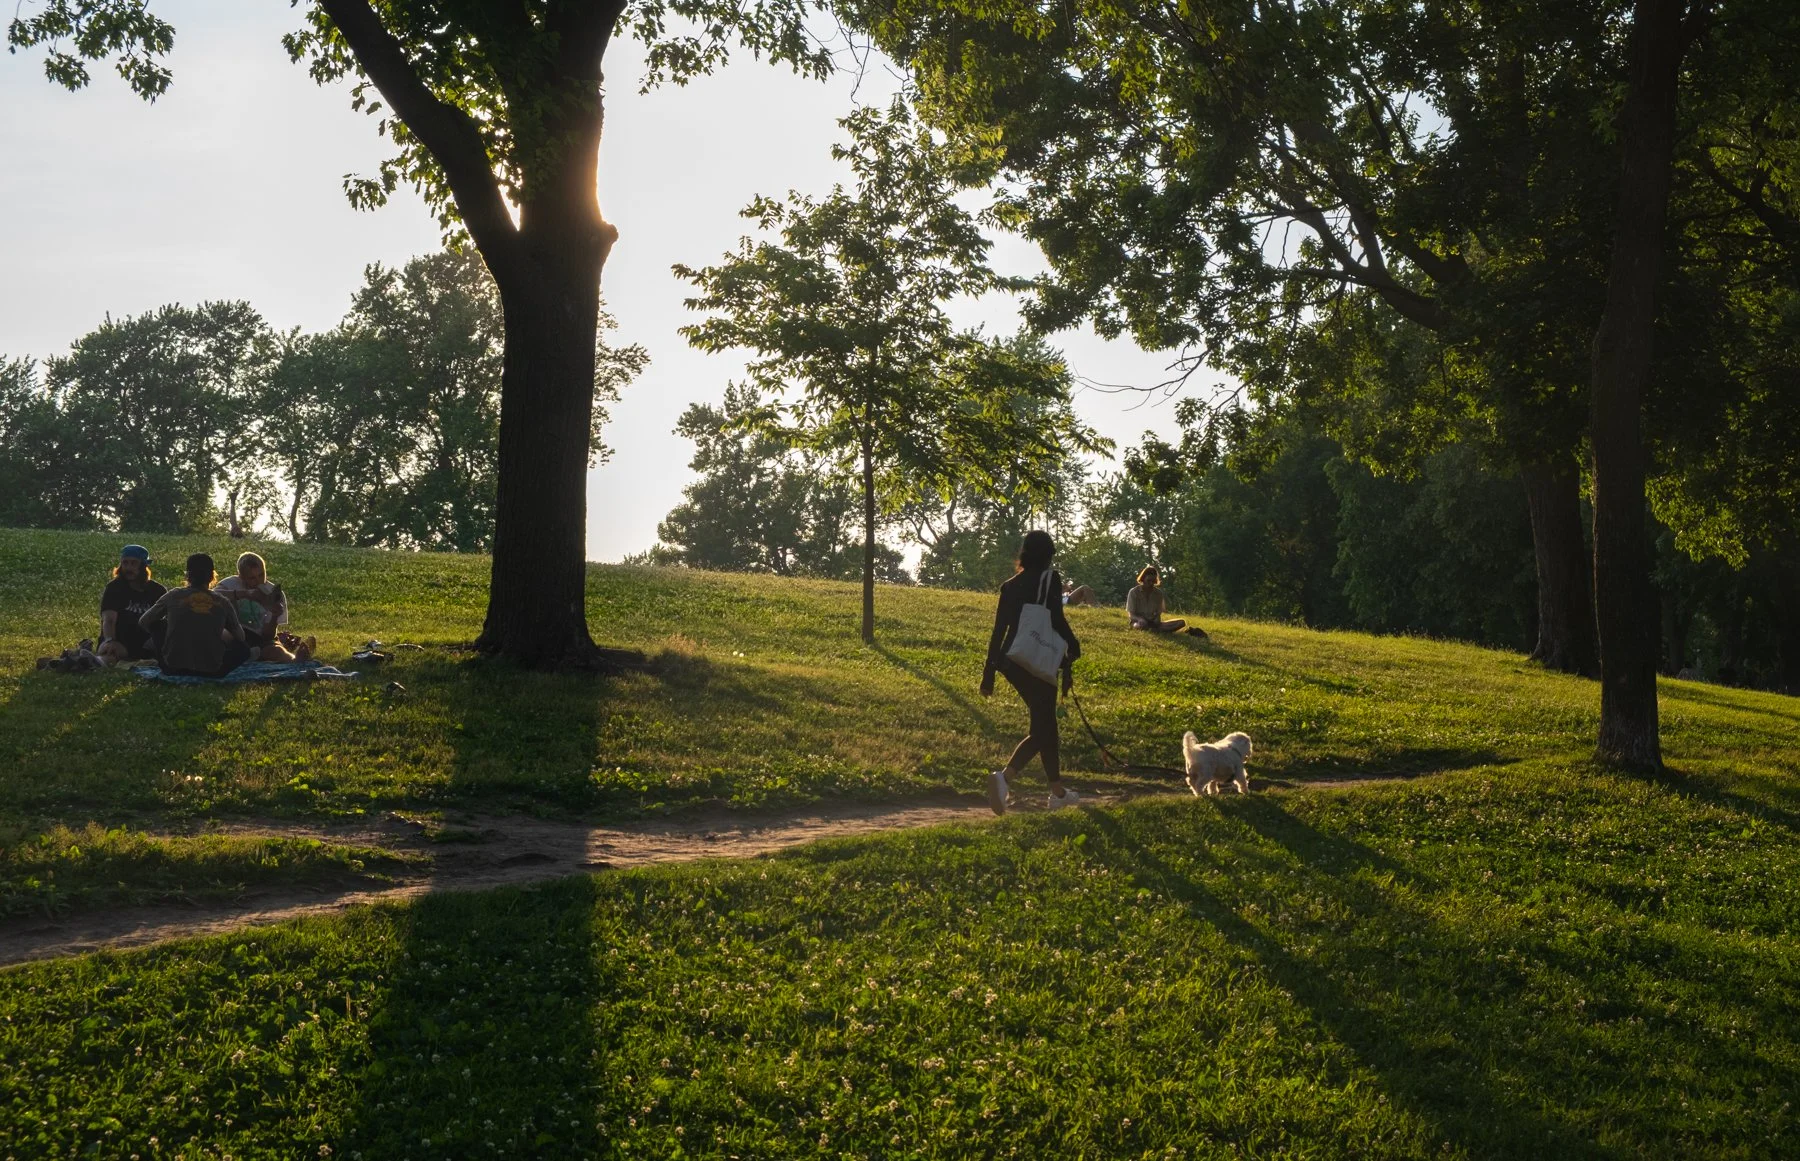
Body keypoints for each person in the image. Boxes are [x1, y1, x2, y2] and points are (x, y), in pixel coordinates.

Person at [980, 530, 1082, 815]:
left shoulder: (1009, 586)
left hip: (1011, 661)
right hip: (1037, 660)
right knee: (1043, 728)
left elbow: (999, 630)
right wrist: (1074, 645)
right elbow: (1055, 618)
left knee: (1045, 725)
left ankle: (1058, 792)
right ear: (1048, 554)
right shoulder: (1050, 579)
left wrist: (988, 673)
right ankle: (1005, 778)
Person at [137, 553, 251, 677]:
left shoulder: (173, 595)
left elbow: (144, 621)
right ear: (212, 576)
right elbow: (240, 637)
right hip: (212, 671)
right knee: (243, 649)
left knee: (158, 624)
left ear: (187, 576)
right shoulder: (222, 602)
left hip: (172, 668)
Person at [213, 552, 312, 662]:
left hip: (259, 639)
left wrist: (274, 616)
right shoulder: (230, 584)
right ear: (241, 577)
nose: (259, 581)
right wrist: (245, 594)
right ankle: (245, 655)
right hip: (235, 634)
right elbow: (210, 596)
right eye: (252, 578)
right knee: (221, 635)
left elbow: (268, 635)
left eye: (261, 575)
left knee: (276, 651)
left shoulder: (274, 593)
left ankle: (295, 661)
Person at [97, 544, 168, 665]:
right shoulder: (114, 588)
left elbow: (166, 621)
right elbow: (109, 620)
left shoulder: (158, 591)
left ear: (143, 566)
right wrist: (109, 640)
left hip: (146, 643)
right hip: (119, 640)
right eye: (125, 563)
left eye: (134, 563)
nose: (128, 567)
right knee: (111, 654)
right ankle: (90, 661)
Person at [1126, 565, 1198, 634]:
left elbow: (1158, 613)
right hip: (1139, 622)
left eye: (1153, 581)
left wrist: (1157, 618)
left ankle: (1155, 630)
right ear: (1143, 579)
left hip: (1154, 623)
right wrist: (1140, 619)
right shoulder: (1134, 592)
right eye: (1149, 580)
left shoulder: (1158, 594)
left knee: (1181, 622)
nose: (1151, 583)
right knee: (1141, 625)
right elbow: (1131, 615)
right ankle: (1157, 630)